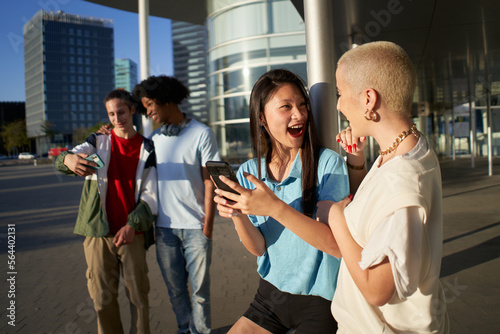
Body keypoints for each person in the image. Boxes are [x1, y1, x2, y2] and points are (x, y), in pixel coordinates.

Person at [314, 41, 449, 333]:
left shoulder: (401, 179)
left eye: (341, 93)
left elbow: (377, 289)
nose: (338, 105)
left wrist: (336, 219)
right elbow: (376, 216)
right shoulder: (407, 147)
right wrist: (358, 159)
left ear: (368, 99)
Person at [214, 69, 349, 333]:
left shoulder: (328, 164)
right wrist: (238, 214)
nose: (298, 115)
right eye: (285, 107)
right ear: (262, 118)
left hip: (320, 302)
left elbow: (338, 246)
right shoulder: (249, 172)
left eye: (301, 105)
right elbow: (258, 248)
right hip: (269, 296)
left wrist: (275, 207)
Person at [54, 89, 158, 334]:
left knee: (139, 299)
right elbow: (68, 159)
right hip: (98, 234)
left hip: (132, 234)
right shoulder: (97, 141)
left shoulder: (148, 147)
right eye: (111, 113)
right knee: (102, 300)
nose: (116, 118)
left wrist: (132, 225)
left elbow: (151, 195)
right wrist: (66, 159)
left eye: (121, 112)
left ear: (133, 110)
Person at [133, 75, 220, 334]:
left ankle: (200, 332)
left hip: (196, 227)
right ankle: (185, 329)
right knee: (175, 291)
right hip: (165, 230)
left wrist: (208, 225)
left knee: (200, 292)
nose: (147, 112)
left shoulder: (202, 133)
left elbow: (210, 181)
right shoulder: (154, 140)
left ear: (166, 99)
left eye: (149, 104)